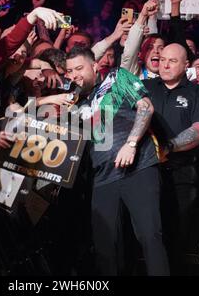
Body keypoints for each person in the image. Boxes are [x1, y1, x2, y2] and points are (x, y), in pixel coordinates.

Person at [66, 46, 169, 276]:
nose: (74, 75)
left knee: (149, 236)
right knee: (105, 246)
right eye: (70, 71)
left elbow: (146, 107)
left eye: (79, 68)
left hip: (138, 167)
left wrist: (131, 143)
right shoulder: (77, 102)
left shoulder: (117, 77)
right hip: (102, 177)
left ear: (94, 66)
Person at [145, 43, 199, 275]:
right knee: (144, 236)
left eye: (172, 61)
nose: (165, 64)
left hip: (181, 176)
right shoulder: (144, 87)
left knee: (176, 238)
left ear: (186, 65)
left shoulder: (198, 93)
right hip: (144, 176)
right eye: (162, 59)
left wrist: (168, 147)